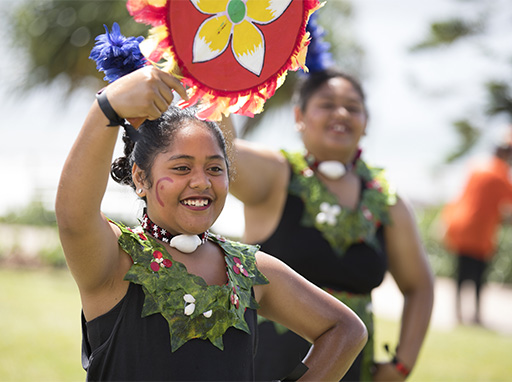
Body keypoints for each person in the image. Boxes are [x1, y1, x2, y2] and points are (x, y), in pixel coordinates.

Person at [54, 65, 368, 381]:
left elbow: (345, 330)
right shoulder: (116, 260)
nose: (202, 182)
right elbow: (73, 217)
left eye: (215, 169)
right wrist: (107, 106)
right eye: (181, 168)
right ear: (140, 177)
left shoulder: (249, 270)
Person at [222, 68, 434, 381]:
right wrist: (213, 76)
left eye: (353, 107)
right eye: (327, 103)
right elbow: (221, 150)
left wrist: (401, 366)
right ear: (299, 116)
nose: (341, 113)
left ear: (366, 123)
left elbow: (420, 286)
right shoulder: (277, 175)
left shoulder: (386, 200)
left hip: (350, 370)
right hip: (263, 365)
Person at [442, 133, 512, 325]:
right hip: (480, 233)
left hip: (460, 226)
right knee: (478, 276)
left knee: (462, 273)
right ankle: (475, 316)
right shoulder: (501, 174)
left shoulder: (476, 167)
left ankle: (458, 314)